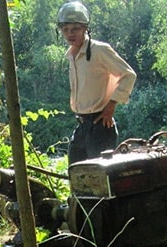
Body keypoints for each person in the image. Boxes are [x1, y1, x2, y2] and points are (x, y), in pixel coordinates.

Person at [57, 1, 136, 165]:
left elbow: (128, 75)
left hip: (101, 124)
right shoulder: (71, 55)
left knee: (100, 180)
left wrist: (112, 104)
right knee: (76, 173)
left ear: (85, 28)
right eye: (66, 29)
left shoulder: (99, 50)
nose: (70, 33)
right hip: (82, 124)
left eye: (75, 29)